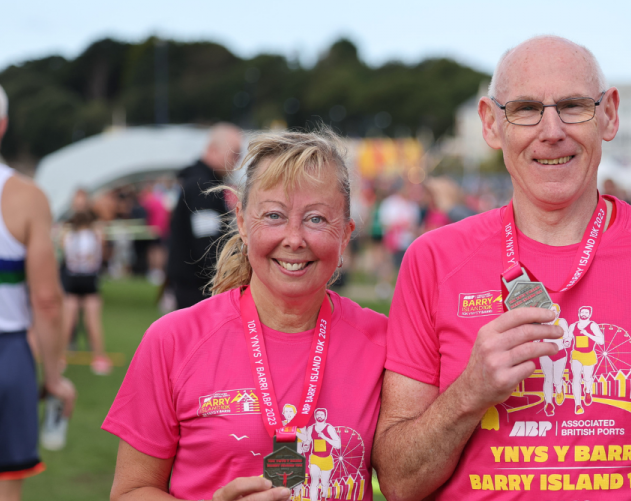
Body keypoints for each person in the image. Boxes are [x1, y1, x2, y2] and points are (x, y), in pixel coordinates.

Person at [373, 36, 631, 500]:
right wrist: (469, 393)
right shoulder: (434, 260)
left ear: (609, 114)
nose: (552, 131)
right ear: (491, 123)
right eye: (525, 109)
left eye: (573, 106)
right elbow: (399, 482)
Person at [104, 129, 387, 501]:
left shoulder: (385, 342)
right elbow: (131, 491)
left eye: (317, 219)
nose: (294, 238)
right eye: (274, 215)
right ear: (241, 221)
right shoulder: (173, 340)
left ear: (346, 234)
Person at [0, 83, 76, 500]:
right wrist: (53, 376)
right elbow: (46, 300)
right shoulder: (25, 197)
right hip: (7, 353)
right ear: (3, 125)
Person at [166, 123, 243, 309]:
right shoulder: (203, 186)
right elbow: (208, 245)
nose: (238, 160)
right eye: (235, 153)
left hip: (195, 284)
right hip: (199, 288)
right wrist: (226, 278)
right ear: (213, 150)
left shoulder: (200, 181)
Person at [60, 209, 111, 375]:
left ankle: (61, 358)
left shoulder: (68, 236)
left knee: (68, 321)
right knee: (92, 321)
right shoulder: (96, 235)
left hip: (74, 280)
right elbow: (102, 253)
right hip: (88, 280)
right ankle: (99, 358)